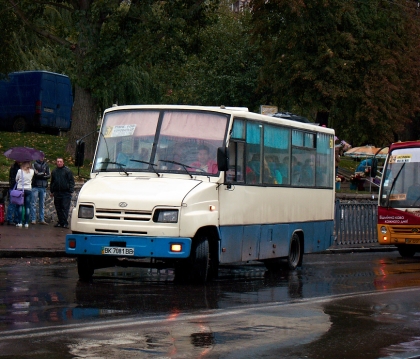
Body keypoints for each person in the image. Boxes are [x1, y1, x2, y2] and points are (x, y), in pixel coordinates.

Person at [50, 157, 75, 228]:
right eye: (58, 161)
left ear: (63, 162)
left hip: (65, 192)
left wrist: (70, 190)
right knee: (58, 208)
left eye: (60, 161)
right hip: (57, 192)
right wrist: (52, 191)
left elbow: (71, 181)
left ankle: (65, 222)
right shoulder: (54, 171)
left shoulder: (67, 171)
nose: (59, 163)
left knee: (65, 208)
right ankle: (60, 221)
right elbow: (52, 182)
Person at [31, 155, 50, 225]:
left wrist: (41, 174)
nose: (42, 158)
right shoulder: (34, 164)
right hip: (35, 186)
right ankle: (33, 219)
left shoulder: (46, 165)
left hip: (43, 186)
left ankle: (41, 219)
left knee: (42, 204)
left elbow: (49, 175)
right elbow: (35, 174)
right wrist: (43, 174)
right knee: (33, 203)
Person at [15, 161, 35, 228]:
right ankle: (26, 223)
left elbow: (16, 179)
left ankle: (20, 222)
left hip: (20, 189)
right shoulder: (32, 171)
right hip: (28, 189)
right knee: (27, 207)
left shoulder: (19, 171)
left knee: (20, 206)